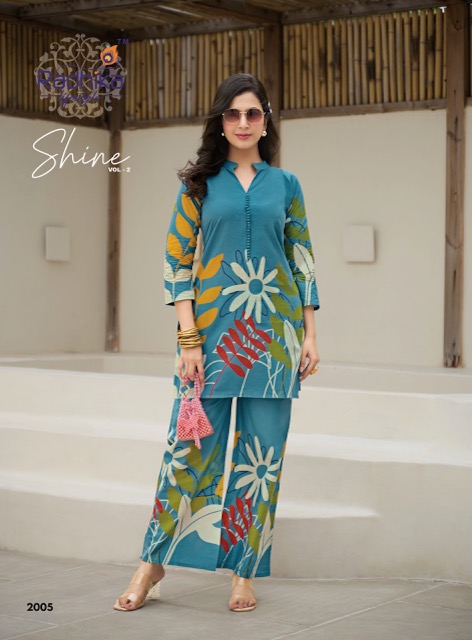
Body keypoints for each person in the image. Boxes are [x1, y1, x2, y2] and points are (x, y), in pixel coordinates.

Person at [114, 73, 320, 614]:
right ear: (221, 121)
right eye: (234, 113)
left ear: (266, 120)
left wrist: (310, 335)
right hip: (209, 341)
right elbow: (177, 260)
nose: (244, 122)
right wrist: (188, 338)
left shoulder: (287, 185)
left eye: (253, 113)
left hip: (274, 342)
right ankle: (152, 562)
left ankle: (243, 572)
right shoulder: (199, 185)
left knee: (261, 459)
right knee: (188, 451)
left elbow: (301, 260)